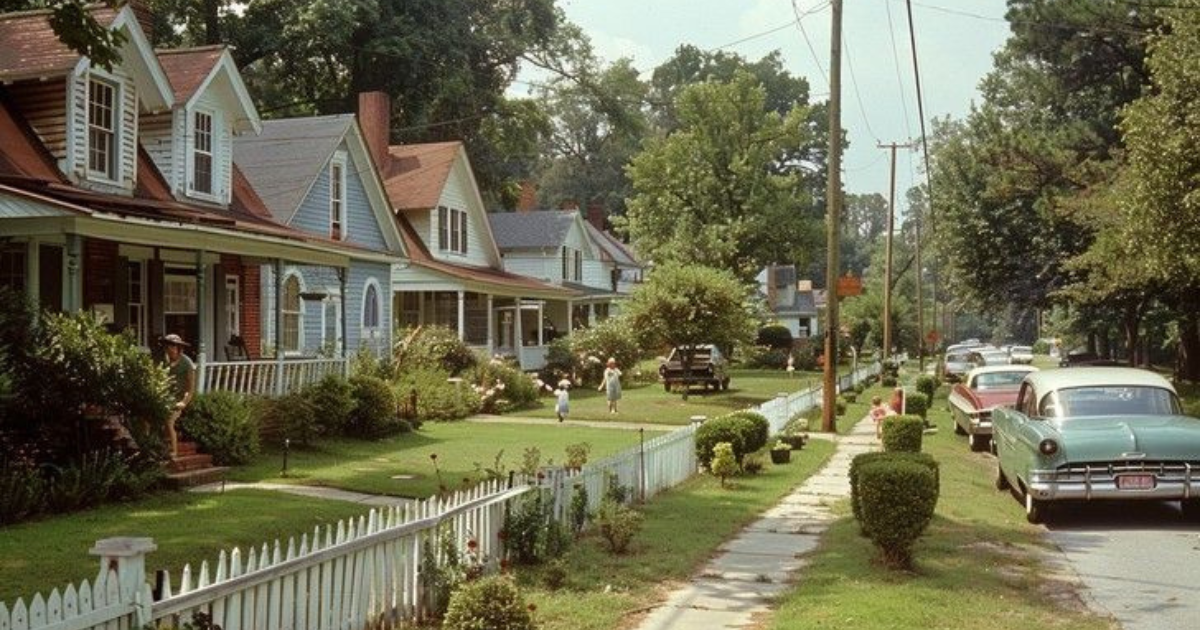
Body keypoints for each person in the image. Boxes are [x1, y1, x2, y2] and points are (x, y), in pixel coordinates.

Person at [162, 334, 196, 457]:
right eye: (168, 346)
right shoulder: (164, 361)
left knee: (169, 421)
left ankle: (174, 452)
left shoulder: (187, 364)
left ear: (178, 348)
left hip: (179, 400)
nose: (170, 349)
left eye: (173, 346)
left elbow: (191, 389)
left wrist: (184, 402)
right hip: (164, 398)